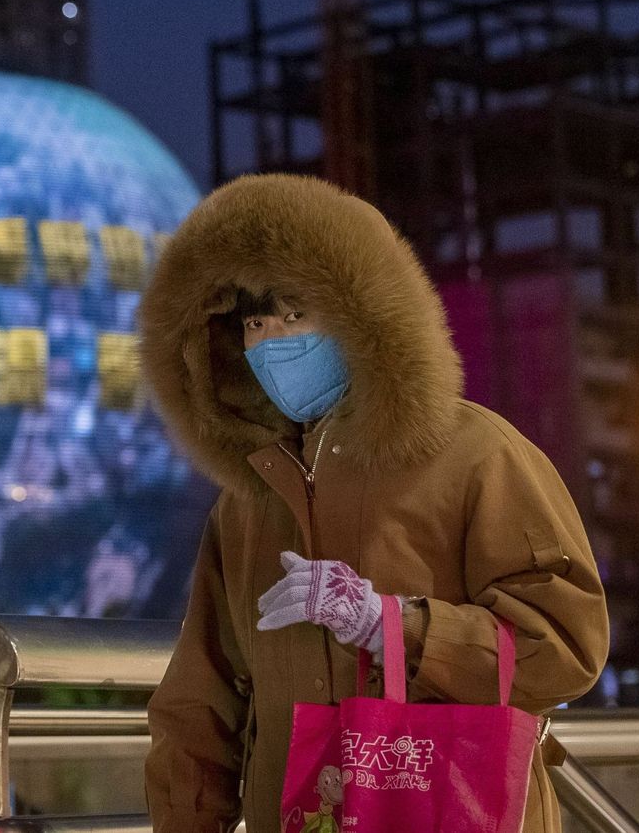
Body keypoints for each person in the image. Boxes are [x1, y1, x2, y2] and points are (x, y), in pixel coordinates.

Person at [138, 174, 609, 833]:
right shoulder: (247, 501)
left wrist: (393, 625)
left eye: (295, 315)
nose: (272, 342)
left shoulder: (479, 455)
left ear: (362, 319)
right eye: (252, 322)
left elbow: (563, 649)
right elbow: (200, 705)